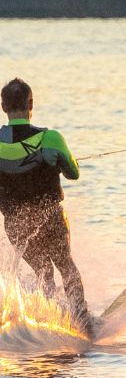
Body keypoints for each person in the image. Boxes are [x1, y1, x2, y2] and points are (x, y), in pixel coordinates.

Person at [0, 78, 92, 334]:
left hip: (16, 223)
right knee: (65, 265)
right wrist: (60, 159)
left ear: (3, 106)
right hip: (49, 217)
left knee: (43, 272)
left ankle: (54, 320)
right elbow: (73, 173)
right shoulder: (50, 138)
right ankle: (82, 319)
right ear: (31, 104)